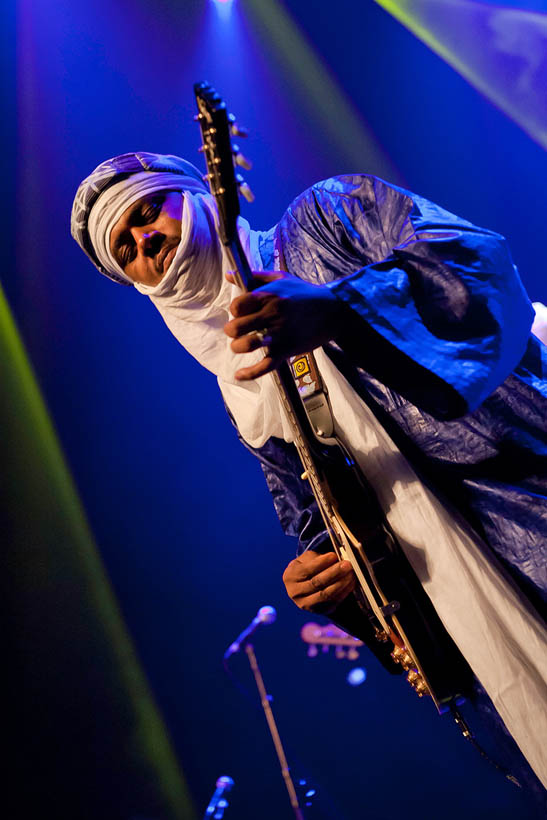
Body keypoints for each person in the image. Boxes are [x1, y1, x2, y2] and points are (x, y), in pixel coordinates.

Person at [71, 152, 547, 803]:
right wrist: (331, 584)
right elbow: (323, 521)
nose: (147, 239)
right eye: (125, 246)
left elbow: (475, 264)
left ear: (198, 194)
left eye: (150, 210)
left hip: (525, 490)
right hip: (463, 595)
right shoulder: (241, 393)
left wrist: (339, 311)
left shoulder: (326, 215)